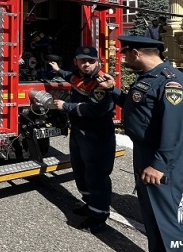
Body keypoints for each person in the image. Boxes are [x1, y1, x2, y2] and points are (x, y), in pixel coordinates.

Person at [98, 35, 183, 252]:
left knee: (170, 219)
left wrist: (159, 164)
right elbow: (138, 107)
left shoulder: (172, 83)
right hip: (146, 153)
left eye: (125, 54)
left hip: (161, 157)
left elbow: (175, 130)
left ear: (136, 53)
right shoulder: (148, 77)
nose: (124, 59)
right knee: (153, 216)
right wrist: (112, 90)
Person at [49, 46, 116, 232]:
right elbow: (68, 76)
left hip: (97, 135)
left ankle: (98, 216)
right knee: (81, 171)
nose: (86, 64)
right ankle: (89, 203)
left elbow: (94, 110)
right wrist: (56, 69)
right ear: (76, 62)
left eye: (90, 61)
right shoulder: (77, 76)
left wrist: (66, 106)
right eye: (82, 60)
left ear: (98, 62)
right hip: (79, 132)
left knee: (96, 176)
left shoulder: (101, 82)